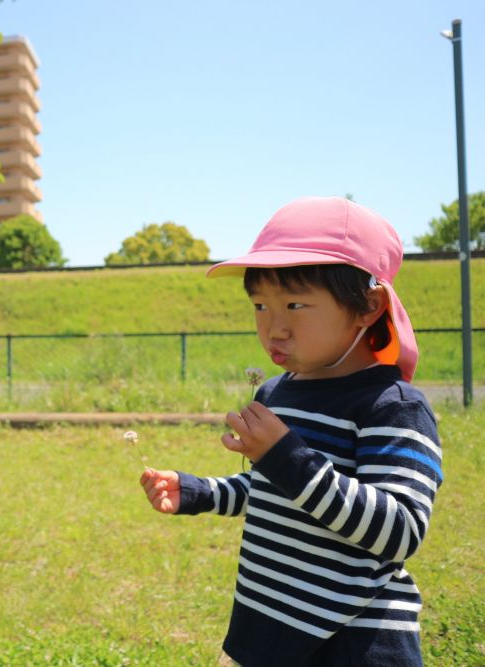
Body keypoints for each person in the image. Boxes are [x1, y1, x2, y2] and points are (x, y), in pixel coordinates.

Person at [140, 197, 442, 667]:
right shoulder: (278, 393)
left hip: (351, 639)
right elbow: (272, 488)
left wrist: (287, 456)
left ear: (367, 306)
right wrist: (200, 492)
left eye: (295, 304)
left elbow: (399, 531)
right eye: (260, 305)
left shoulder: (392, 407)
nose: (273, 327)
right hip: (265, 625)